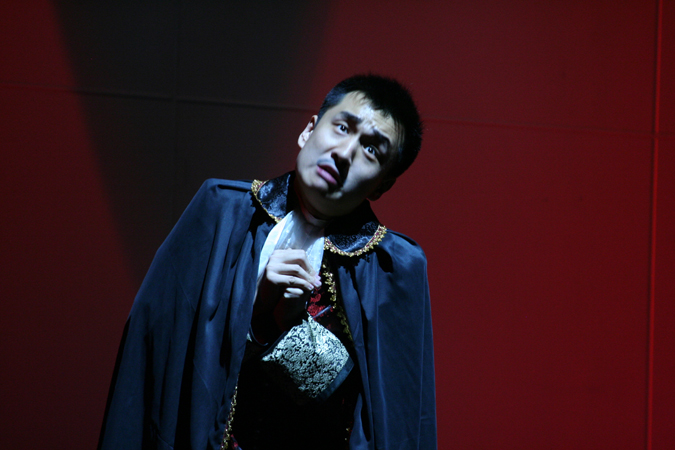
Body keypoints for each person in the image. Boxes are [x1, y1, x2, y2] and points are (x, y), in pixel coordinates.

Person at [98, 74, 436, 450]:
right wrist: (253, 309)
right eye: (342, 127)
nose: (344, 153)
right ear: (308, 131)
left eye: (371, 149)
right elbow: (154, 359)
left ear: (382, 185)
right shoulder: (219, 212)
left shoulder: (393, 268)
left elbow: (389, 424)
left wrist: (286, 327)